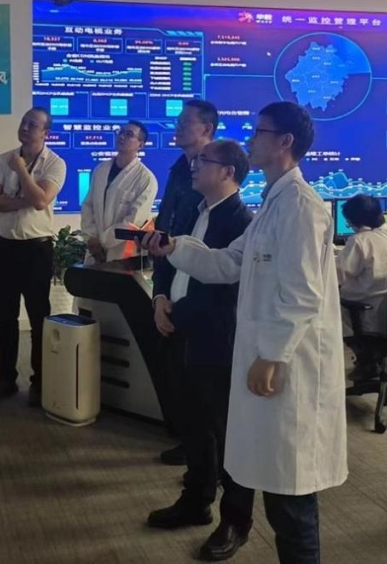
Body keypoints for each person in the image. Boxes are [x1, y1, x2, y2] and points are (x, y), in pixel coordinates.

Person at [147, 102, 347, 564]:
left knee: (291, 500)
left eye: (260, 132)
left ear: (285, 142)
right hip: (266, 362)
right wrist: (175, 248)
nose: (252, 140)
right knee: (278, 490)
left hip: (287, 368)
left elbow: (303, 294)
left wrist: (272, 354)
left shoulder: (301, 206)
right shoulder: (272, 205)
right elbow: (228, 263)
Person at [146, 139, 254, 562]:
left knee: (226, 433)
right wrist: (159, 299)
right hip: (178, 327)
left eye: (204, 160)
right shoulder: (193, 208)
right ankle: (196, 500)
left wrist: (181, 312)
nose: (194, 165)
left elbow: (224, 284)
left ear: (228, 171)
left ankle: (236, 521)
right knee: (192, 425)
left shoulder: (243, 222)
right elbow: (166, 257)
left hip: (215, 337)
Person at [0, 107, 67, 408]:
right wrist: (22, 199)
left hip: (36, 250)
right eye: (24, 122)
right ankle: (6, 378)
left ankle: (40, 381)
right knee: (4, 318)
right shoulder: (3, 158)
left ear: (46, 133)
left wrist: (20, 171)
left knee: (38, 318)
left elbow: (41, 200)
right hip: (3, 248)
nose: (25, 128)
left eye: (33, 125)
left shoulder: (55, 163)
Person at [154, 99, 218, 466]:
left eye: (185, 121)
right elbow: (166, 227)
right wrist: (160, 293)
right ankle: (186, 437)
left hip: (200, 290)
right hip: (172, 281)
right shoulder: (179, 169)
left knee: (199, 378)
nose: (177, 126)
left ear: (206, 129)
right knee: (175, 368)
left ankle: (200, 450)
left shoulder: (218, 177)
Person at [337, 195, 387, 379]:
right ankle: (372, 359)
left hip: (366, 315)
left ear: (356, 222)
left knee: (328, 303)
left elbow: (337, 275)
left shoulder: (360, 241)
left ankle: (366, 361)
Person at [80, 120, 158, 264]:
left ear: (140, 144)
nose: (122, 137)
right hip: (94, 250)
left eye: (129, 134)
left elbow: (133, 221)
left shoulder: (146, 179)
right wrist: (91, 237)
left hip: (122, 254)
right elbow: (88, 205)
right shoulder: (101, 170)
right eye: (121, 132)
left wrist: (102, 241)